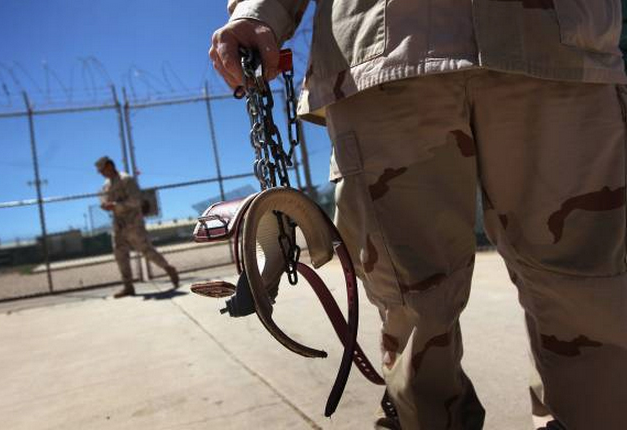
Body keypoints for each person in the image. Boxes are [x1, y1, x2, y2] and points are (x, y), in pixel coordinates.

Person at [210, 1, 627, 429]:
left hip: (559, 41)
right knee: (411, 303)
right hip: (384, 53)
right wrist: (259, 11)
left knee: (590, 293)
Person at [95, 156, 179, 298]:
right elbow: (105, 200)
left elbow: (136, 200)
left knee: (146, 250)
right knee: (120, 253)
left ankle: (168, 268)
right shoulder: (106, 185)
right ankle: (128, 286)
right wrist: (105, 205)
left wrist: (116, 205)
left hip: (133, 223)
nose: (101, 173)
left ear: (109, 166)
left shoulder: (126, 179)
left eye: (102, 169)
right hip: (118, 224)